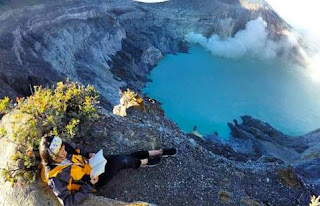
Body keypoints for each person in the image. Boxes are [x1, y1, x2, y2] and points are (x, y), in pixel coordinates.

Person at [39, 135, 177, 206]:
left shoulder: (63, 149)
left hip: (91, 164)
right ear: (53, 157)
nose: (64, 149)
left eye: (62, 146)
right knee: (120, 161)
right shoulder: (55, 177)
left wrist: (88, 154)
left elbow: (77, 151)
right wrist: (89, 185)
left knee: (122, 157)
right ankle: (144, 162)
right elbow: (68, 202)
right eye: (60, 151)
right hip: (94, 180)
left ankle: (157, 152)